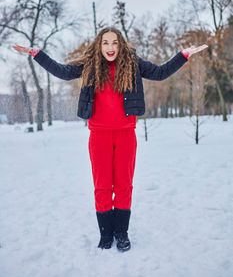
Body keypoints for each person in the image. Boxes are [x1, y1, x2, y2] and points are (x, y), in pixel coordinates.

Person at [12, 27, 208, 252]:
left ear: (121, 44)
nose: (110, 47)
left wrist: (183, 55)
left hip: (126, 134)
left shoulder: (133, 63)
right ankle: (106, 234)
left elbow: (160, 73)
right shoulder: (90, 64)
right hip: (99, 136)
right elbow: (63, 72)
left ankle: (121, 233)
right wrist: (37, 53)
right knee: (102, 186)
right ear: (99, 44)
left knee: (124, 185)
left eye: (114, 43)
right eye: (105, 43)